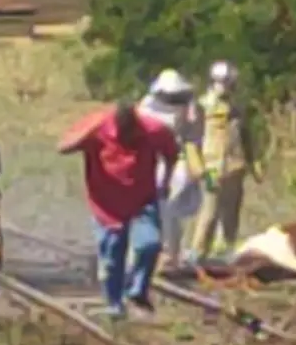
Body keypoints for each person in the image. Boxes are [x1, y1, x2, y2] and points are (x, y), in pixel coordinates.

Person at [58, 101, 178, 319]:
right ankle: (115, 304)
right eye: (123, 136)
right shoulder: (96, 127)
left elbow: (171, 152)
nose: (128, 140)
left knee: (149, 244)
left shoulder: (153, 129)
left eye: (132, 135)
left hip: (142, 200)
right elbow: (63, 147)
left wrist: (166, 180)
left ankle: (136, 292)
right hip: (106, 204)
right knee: (112, 256)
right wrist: (84, 138)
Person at [185, 61, 261, 263]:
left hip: (235, 168)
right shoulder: (201, 106)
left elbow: (246, 137)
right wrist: (198, 169)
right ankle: (198, 252)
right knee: (210, 211)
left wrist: (253, 163)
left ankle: (225, 250)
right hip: (212, 168)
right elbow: (192, 140)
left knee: (231, 212)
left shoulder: (237, 108)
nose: (225, 87)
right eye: (222, 82)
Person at [136, 69, 201, 270]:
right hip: (154, 160)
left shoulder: (191, 107)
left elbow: (195, 138)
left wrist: (204, 171)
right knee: (155, 208)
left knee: (172, 208)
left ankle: (172, 252)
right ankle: (159, 250)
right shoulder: (146, 107)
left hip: (179, 160)